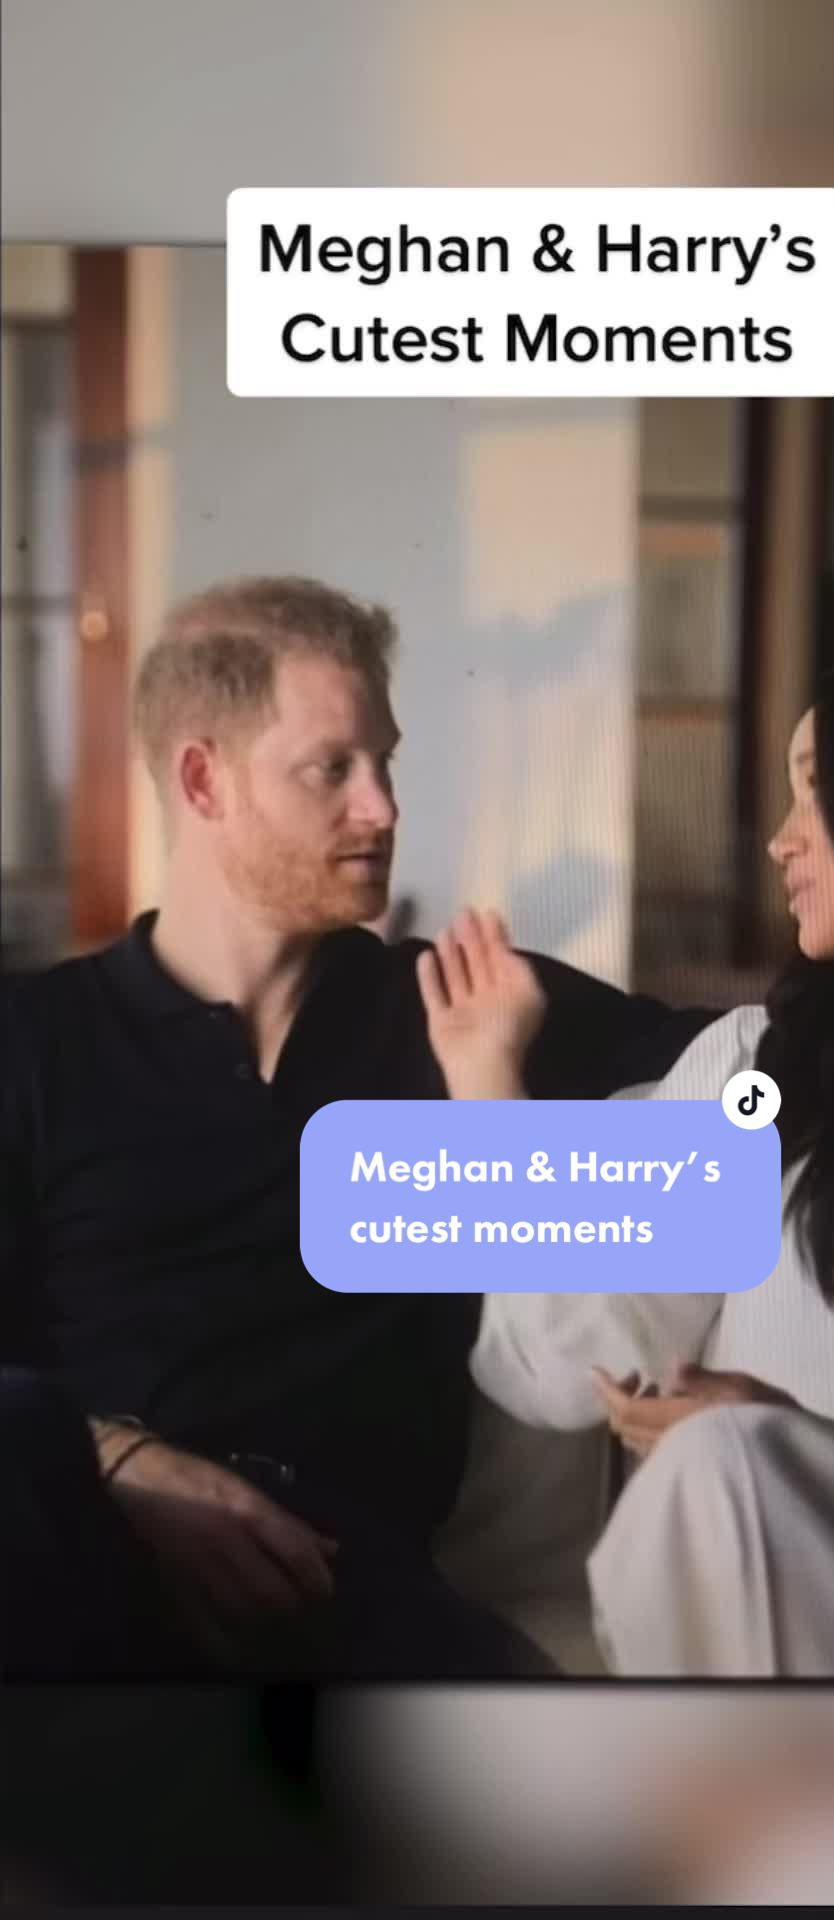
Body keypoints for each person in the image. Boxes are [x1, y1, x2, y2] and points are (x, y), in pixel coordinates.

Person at [0, 574, 715, 1680]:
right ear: (204, 780)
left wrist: (495, 1099)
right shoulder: (37, 1043)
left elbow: (769, 1076)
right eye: (331, 769)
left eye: (384, 762)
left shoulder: (463, 1008)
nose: (382, 807)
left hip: (344, 1593)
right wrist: (125, 1466)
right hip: (85, 1562)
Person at [419, 650, 834, 1677]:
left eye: (817, 790)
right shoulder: (752, 1079)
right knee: (717, 1470)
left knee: (735, 1459)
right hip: (750, 1556)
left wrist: (831, 1449)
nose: (781, 838)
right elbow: (555, 1369)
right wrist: (489, 1099)